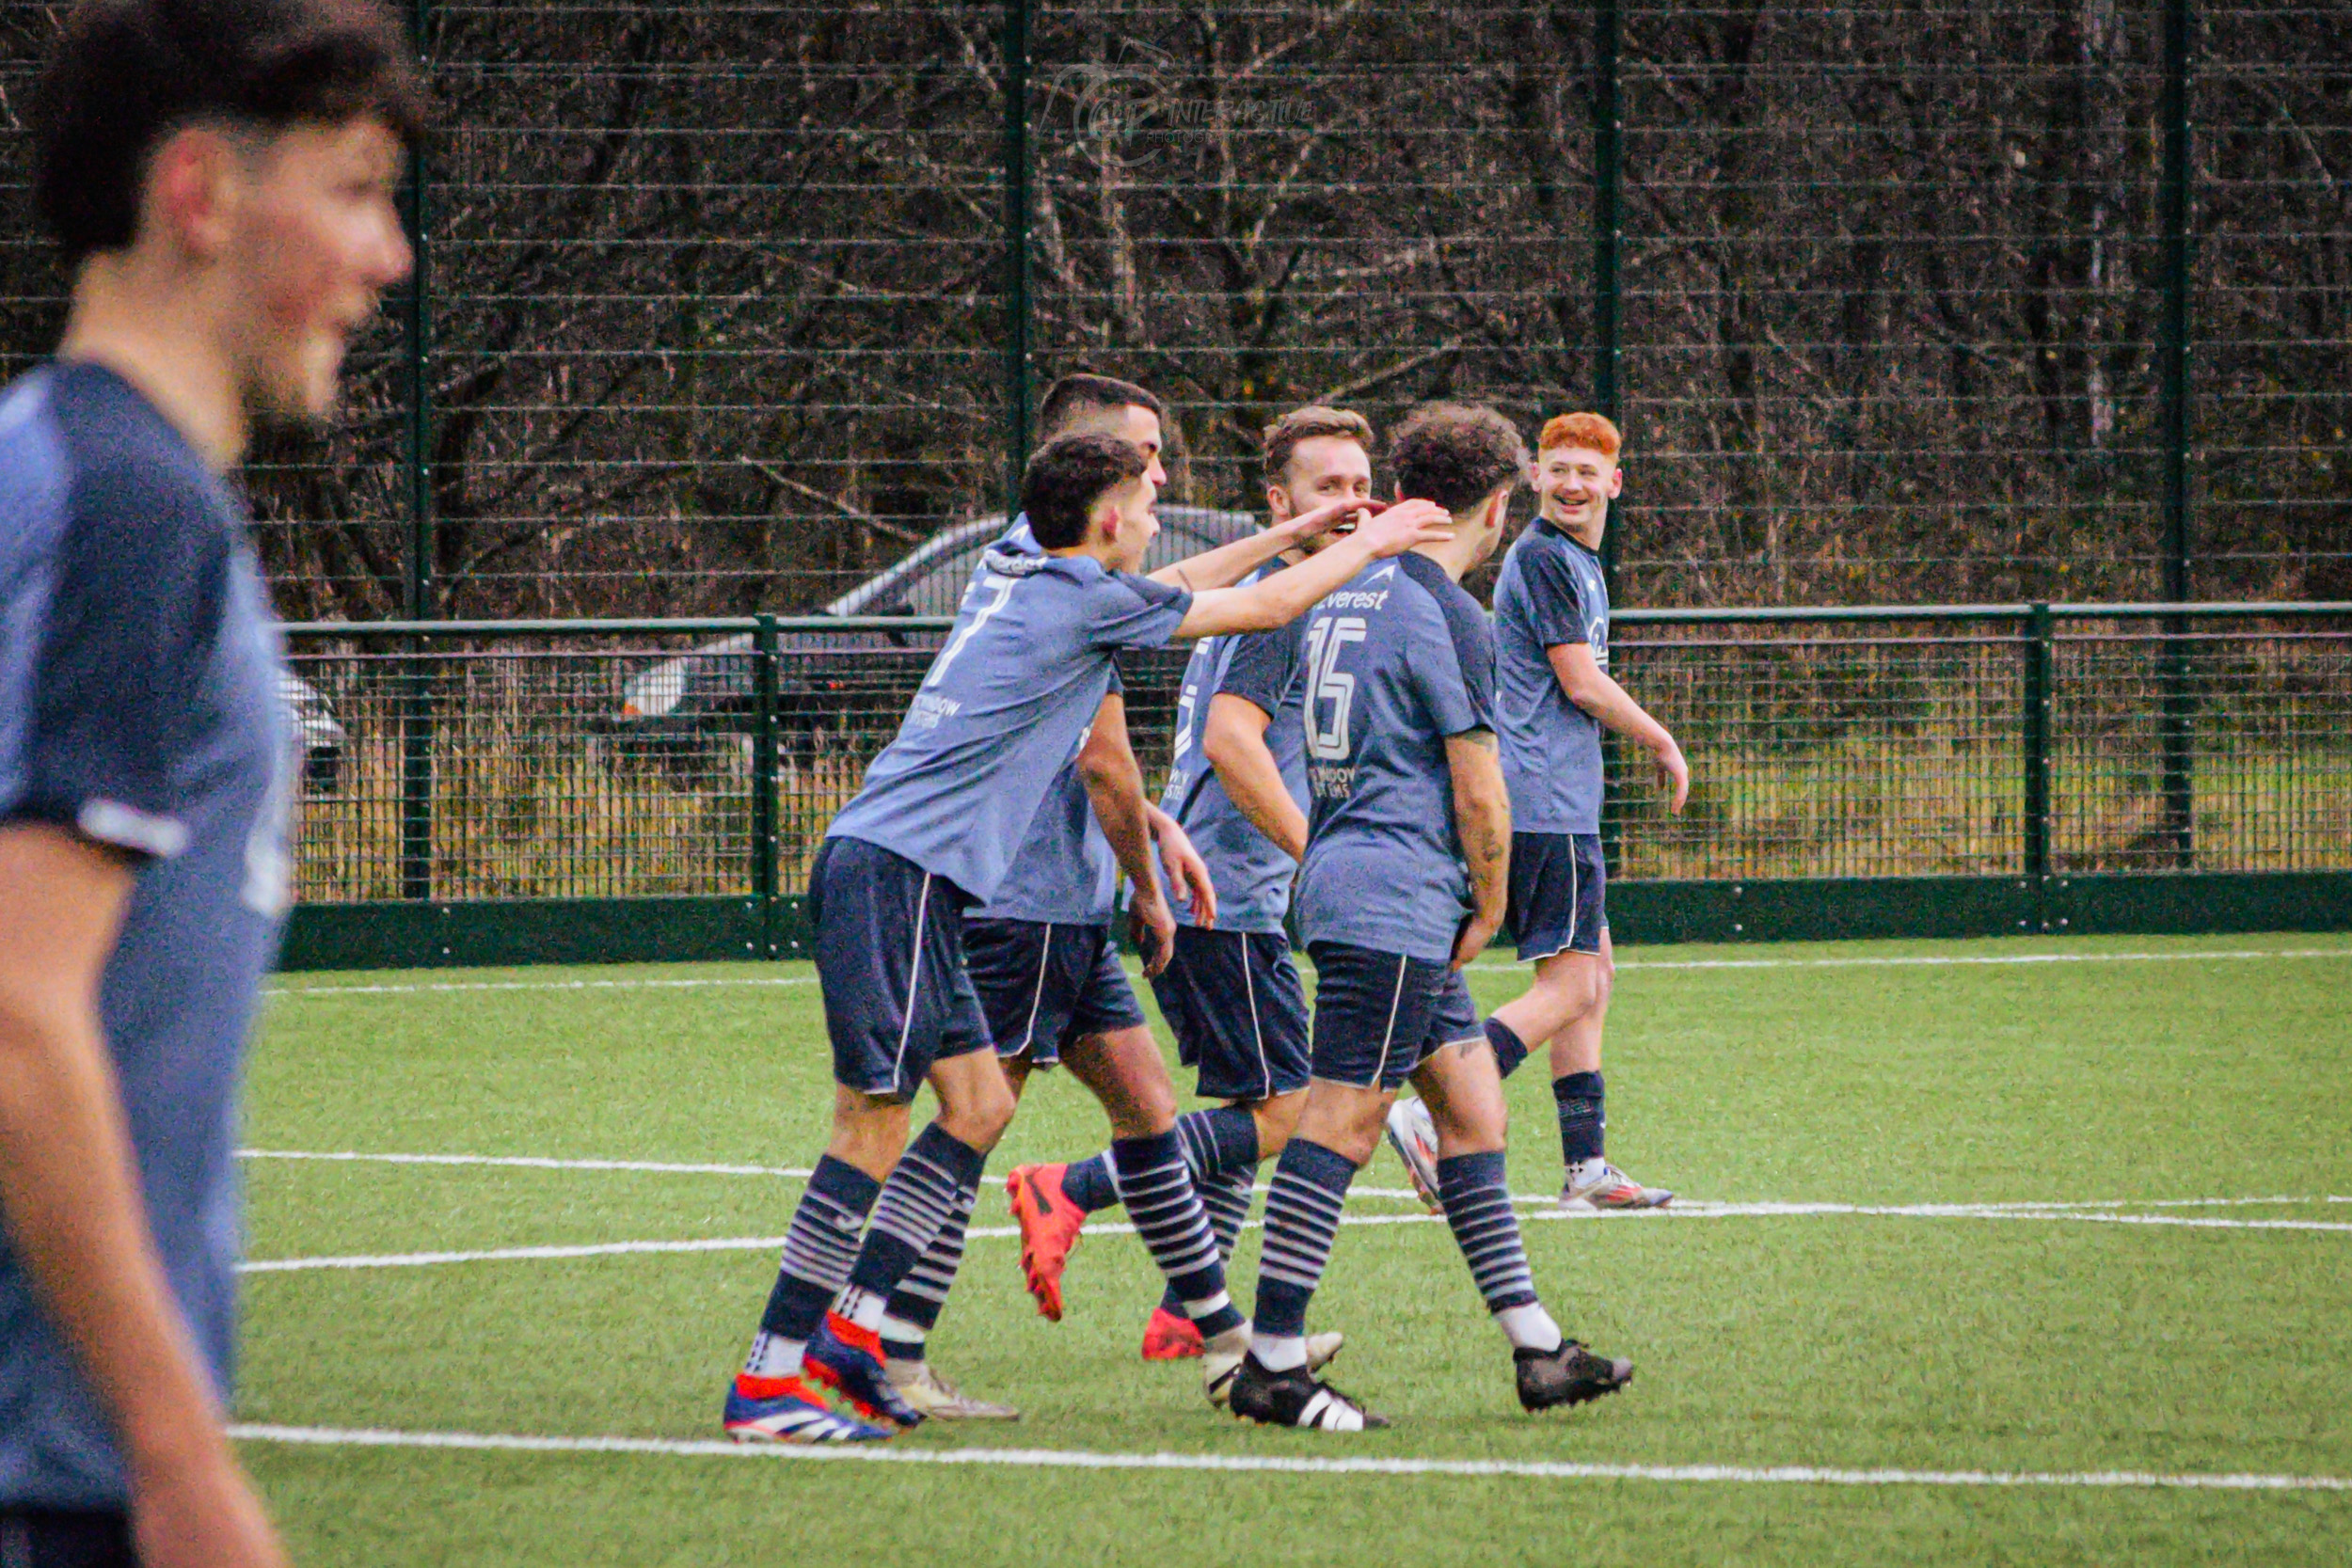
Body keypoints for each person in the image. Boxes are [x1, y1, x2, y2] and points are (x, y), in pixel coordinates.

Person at [722, 426, 1453, 1443]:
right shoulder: (1080, 600)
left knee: (976, 1103)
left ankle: (854, 1335)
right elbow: (1270, 601)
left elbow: (1195, 576)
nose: (1156, 525)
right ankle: (766, 1380)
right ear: (1108, 519)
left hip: (918, 880)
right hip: (889, 875)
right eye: (1145, 507)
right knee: (869, 1127)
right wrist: (1378, 540)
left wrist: (1322, 523)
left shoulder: (1040, 572)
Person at [0, 1, 421, 1561]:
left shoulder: (57, 468)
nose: (392, 258)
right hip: (56, 1471)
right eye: (358, 189)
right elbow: (20, 1005)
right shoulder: (131, 515)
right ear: (201, 193)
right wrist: (176, 1459)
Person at [866, 374, 1340, 1420]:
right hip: (1024, 900)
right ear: (1097, 475)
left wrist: (1305, 524)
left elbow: (1164, 632)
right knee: (973, 1118)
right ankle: (886, 1347)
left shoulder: (1039, 558)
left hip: (1063, 902)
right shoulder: (1063, 584)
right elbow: (1106, 760)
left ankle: (1223, 1343)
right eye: (1146, 456)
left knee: (1148, 1105)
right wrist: (1148, 872)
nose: (1164, 475)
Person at [1225, 404, 1633, 1432]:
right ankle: (1273, 1361)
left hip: (1345, 876)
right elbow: (1479, 790)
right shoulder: (1451, 612)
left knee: (1470, 1112)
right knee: (1343, 1119)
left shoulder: (1333, 586)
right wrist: (1489, 901)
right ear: (1497, 504)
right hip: (1401, 897)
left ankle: (1537, 1347)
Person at [1005, 406, 1377, 1370]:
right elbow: (1230, 742)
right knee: (1281, 1110)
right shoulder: (1280, 603)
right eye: (1325, 486)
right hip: (1227, 899)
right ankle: (1072, 1186)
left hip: (1222, 891)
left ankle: (1186, 1308)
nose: (1349, 502)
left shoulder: (1290, 592)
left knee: (1254, 1094)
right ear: (1278, 501)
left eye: (1357, 484)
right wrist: (1317, 853)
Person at [1384, 413, 1688, 1213]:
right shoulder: (1547, 559)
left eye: (1589, 471)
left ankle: (1586, 1168)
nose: (1573, 484)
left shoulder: (1581, 563)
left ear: (1615, 482)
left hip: (1565, 800)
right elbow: (1580, 682)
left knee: (1593, 977)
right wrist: (1662, 739)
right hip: (1545, 801)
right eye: (1557, 470)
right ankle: (1428, 1107)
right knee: (1571, 983)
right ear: (1535, 482)